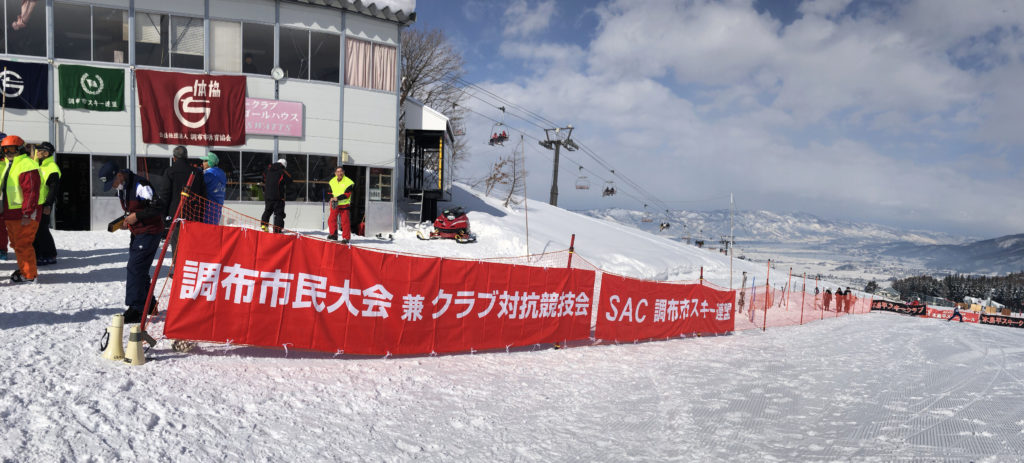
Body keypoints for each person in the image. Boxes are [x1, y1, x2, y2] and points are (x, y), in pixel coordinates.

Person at [98, 161, 165, 324]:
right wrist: (126, 221)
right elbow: (132, 210)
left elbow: (158, 207)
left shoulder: (141, 185)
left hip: (150, 231)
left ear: (119, 175)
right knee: (139, 268)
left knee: (134, 268)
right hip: (138, 232)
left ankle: (136, 308)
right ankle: (149, 305)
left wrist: (137, 217)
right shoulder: (122, 188)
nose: (113, 186)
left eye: (112, 182)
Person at [0, 135, 41, 282]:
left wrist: (27, 213)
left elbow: (31, 191)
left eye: (12, 149)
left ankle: (29, 275)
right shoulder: (8, 164)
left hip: (22, 214)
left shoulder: (26, 164)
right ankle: (24, 270)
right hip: (11, 213)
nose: (8, 152)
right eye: (5, 149)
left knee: (23, 244)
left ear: (20, 149)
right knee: (17, 244)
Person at [162, 145, 205, 269]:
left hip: (175, 213)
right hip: (194, 213)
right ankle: (190, 268)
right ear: (186, 157)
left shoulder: (170, 171)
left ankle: (178, 268)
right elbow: (203, 194)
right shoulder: (196, 172)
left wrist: (163, 215)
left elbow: (165, 194)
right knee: (192, 243)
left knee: (176, 242)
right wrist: (201, 214)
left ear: (174, 158)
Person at [31, 142, 59, 265]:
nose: (37, 152)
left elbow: (54, 189)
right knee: (36, 229)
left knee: (42, 229)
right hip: (36, 203)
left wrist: (48, 205)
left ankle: (50, 254)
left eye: (40, 151)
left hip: (44, 204)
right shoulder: (38, 164)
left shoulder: (52, 167)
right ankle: (39, 254)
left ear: (46, 153)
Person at [261, 158, 291, 233]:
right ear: (284, 165)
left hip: (268, 195)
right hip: (278, 196)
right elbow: (290, 180)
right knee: (279, 214)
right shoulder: (282, 171)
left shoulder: (268, 169)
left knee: (267, 210)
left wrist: (265, 189)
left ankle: (264, 225)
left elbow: (263, 178)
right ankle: (277, 230)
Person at [327, 165, 355, 243]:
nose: (339, 173)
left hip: (344, 204)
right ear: (335, 173)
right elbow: (329, 191)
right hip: (334, 203)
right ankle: (333, 235)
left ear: (343, 172)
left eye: (341, 171)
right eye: (338, 171)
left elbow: (347, 194)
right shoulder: (331, 181)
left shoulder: (349, 182)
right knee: (331, 219)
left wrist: (337, 198)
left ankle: (346, 238)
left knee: (345, 222)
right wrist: (331, 197)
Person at [201, 152, 226, 225]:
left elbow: (200, 184)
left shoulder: (209, 174)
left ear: (210, 162)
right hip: (218, 207)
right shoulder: (222, 173)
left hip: (208, 208)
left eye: (205, 161)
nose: (202, 163)